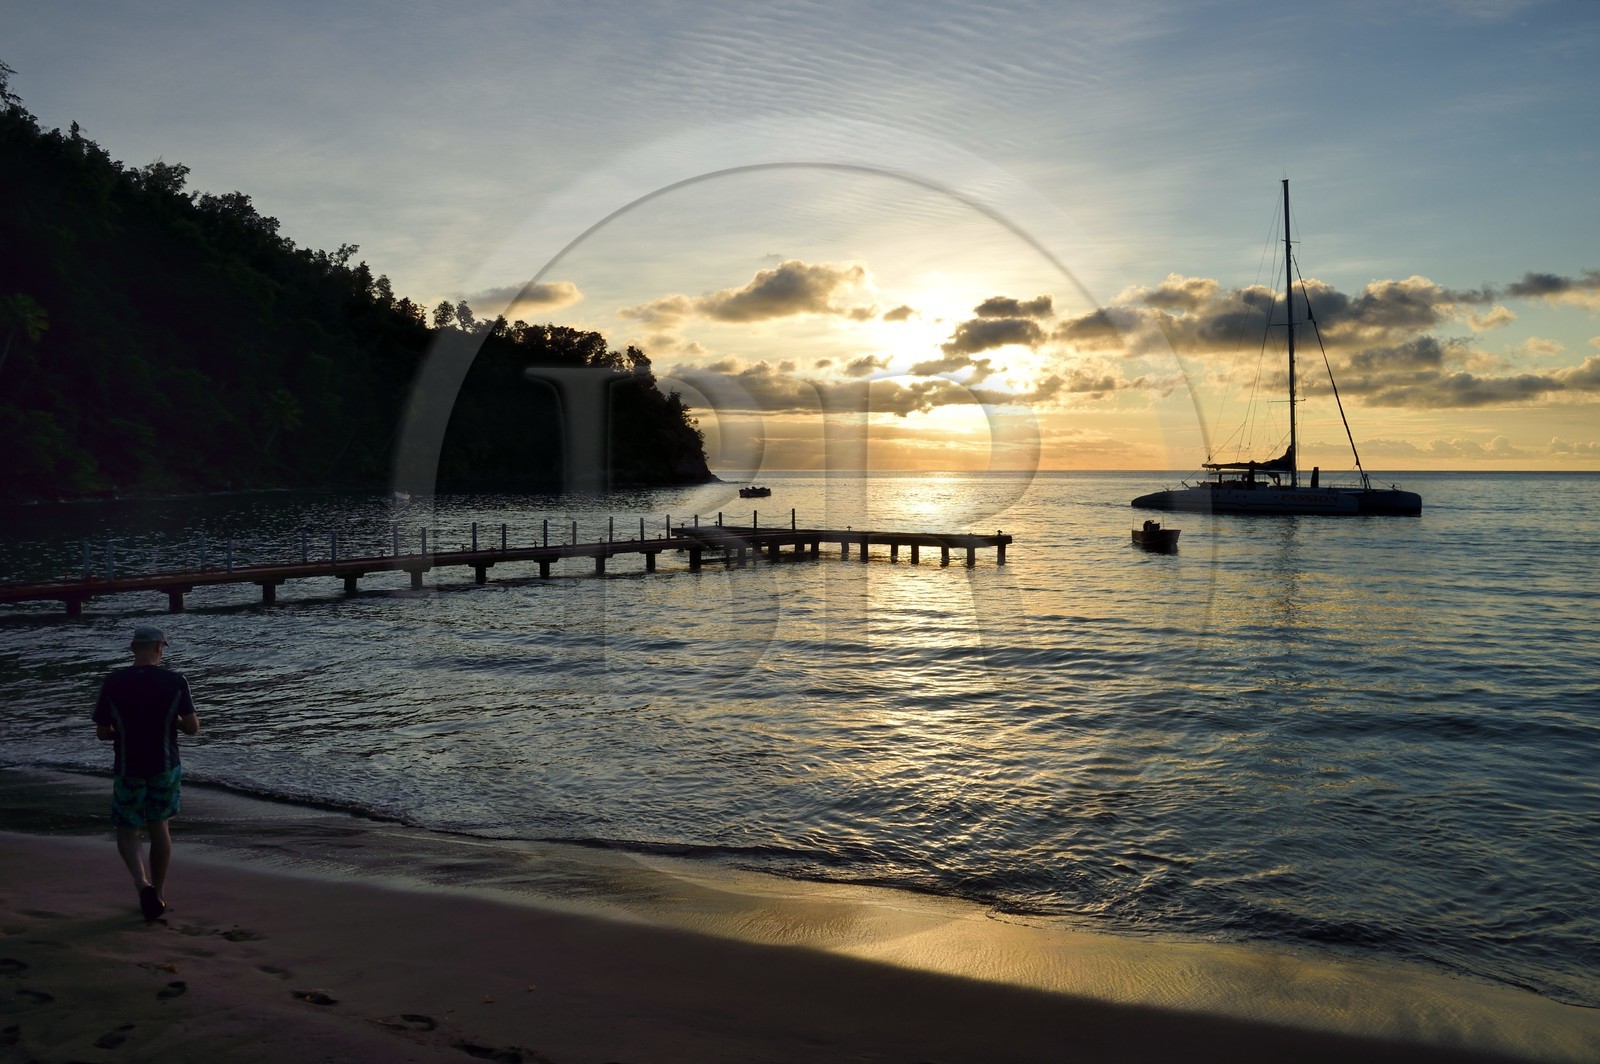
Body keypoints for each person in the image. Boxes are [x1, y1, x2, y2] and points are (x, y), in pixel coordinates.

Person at [93, 625, 200, 922]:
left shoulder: (113, 682)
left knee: (128, 828)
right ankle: (159, 892)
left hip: (128, 765)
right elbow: (192, 727)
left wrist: (119, 729)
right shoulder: (176, 681)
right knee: (159, 826)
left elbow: (102, 732)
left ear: (132, 648)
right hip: (164, 765)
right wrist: (172, 722)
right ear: (158, 648)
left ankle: (142, 884)